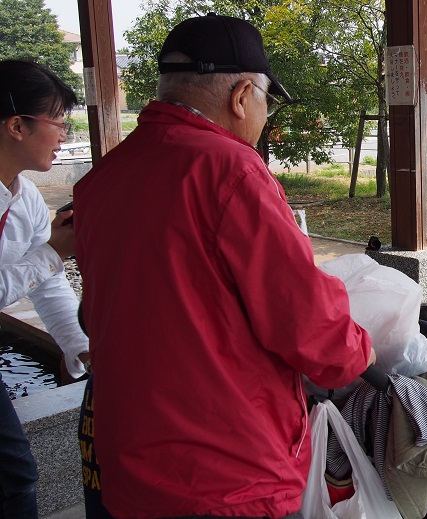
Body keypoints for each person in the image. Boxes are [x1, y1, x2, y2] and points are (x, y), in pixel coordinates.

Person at [73, 14, 374, 518]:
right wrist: (361, 347)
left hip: (130, 465)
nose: (265, 116)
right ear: (240, 96)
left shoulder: (104, 176)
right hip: (225, 474)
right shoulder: (231, 171)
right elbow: (309, 324)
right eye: (266, 101)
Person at [0, 59, 89, 519]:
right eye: (59, 123)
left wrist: (82, 347)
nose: (64, 137)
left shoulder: (26, 197)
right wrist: (53, 251)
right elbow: (47, 262)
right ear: (17, 125)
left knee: (16, 478)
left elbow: (48, 282)